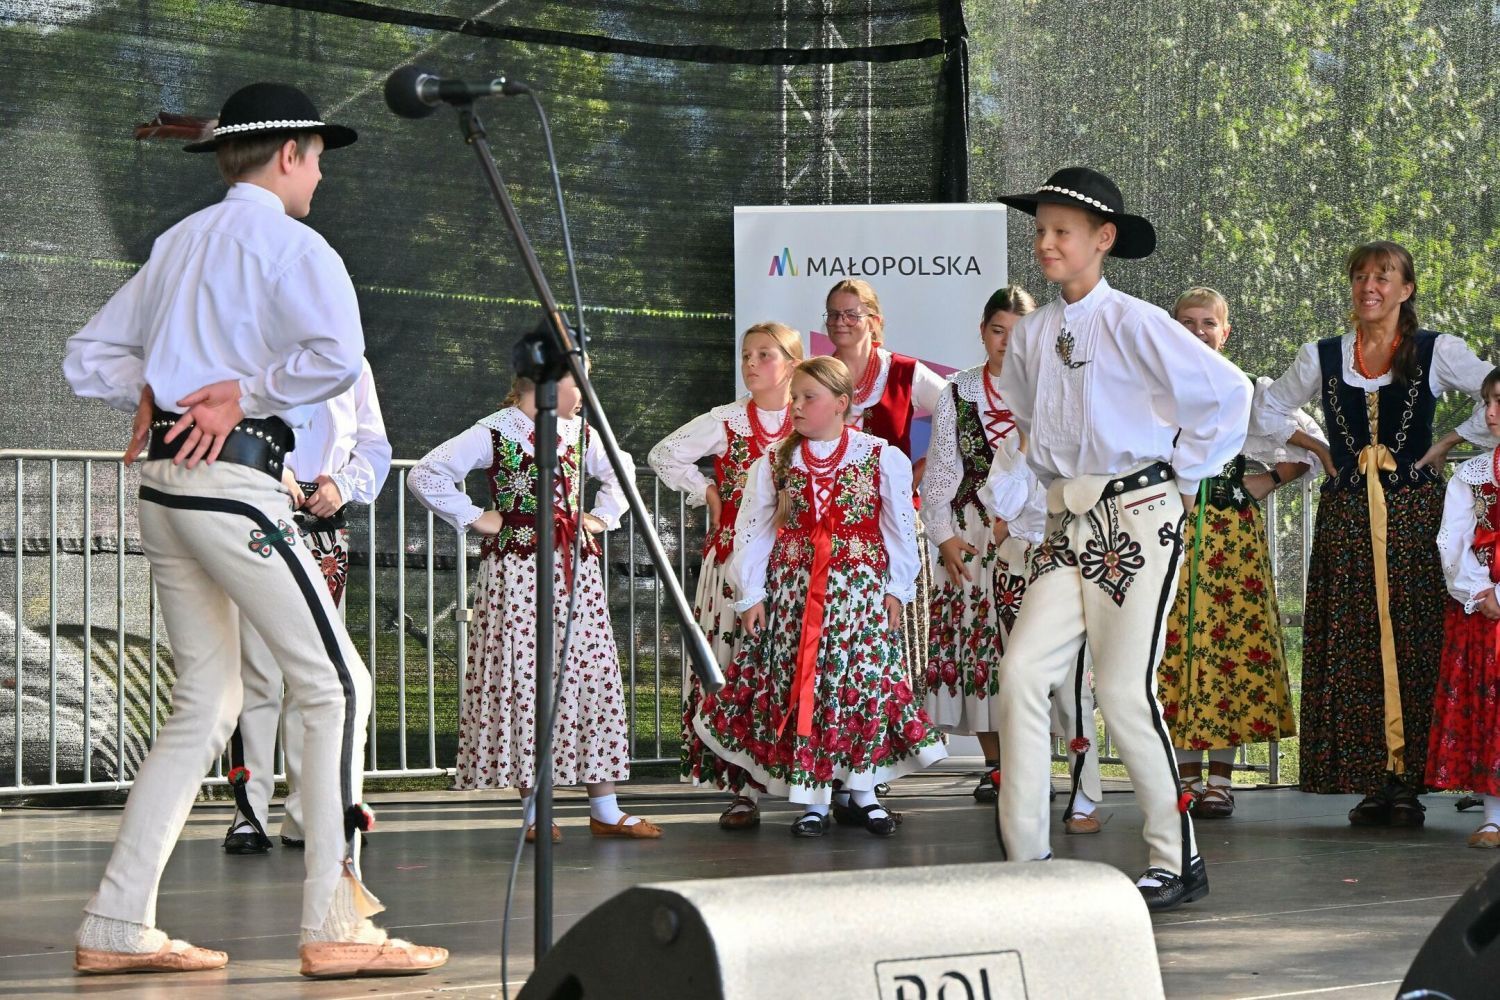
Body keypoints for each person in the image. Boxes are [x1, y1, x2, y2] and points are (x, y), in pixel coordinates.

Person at [62, 82, 446, 976]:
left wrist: (151, 392)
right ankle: (337, 925)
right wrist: (244, 394)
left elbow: (89, 355)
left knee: (208, 701)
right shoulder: (295, 245)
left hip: (167, 490)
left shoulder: (180, 241)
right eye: (318, 159)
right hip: (231, 486)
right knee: (338, 683)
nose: (321, 176)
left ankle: (116, 921)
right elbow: (336, 359)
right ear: (289, 154)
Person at [990, 166, 1251, 910]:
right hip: (1068, 520)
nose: (1045, 242)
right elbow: (1029, 420)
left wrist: (1184, 477)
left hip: (1135, 515)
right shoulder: (1033, 333)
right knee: (1021, 672)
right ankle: (1027, 857)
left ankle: (1177, 856)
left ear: (1103, 239)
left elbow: (1229, 392)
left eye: (1061, 231)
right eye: (1040, 229)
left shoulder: (1137, 321)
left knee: (1121, 688)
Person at [1254, 240, 1497, 825]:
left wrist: (1448, 441)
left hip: (1413, 514)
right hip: (1347, 518)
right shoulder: (1324, 355)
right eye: (1361, 276)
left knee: (1415, 636)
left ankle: (1408, 783)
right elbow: (1267, 410)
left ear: (1405, 290)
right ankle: (1370, 779)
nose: (1369, 286)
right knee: (1355, 637)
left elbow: (1494, 388)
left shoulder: (1436, 350)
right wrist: (1319, 449)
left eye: (1383, 277)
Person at [695, 357, 947, 837]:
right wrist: (751, 594)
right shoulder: (776, 460)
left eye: (808, 397)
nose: (796, 406)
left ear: (841, 403)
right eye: (794, 397)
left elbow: (898, 528)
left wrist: (897, 589)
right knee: (804, 687)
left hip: (859, 596)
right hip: (794, 596)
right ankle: (813, 799)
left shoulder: (879, 456)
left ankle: (864, 793)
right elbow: (753, 530)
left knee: (861, 689)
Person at [406, 367, 662, 842]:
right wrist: (474, 516)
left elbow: (621, 472)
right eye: (576, 381)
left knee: (588, 671)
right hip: (517, 571)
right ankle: (535, 811)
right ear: (545, 385)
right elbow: (426, 473)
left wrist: (601, 517)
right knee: (524, 675)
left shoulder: (581, 433)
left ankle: (605, 807)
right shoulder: (495, 431)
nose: (584, 392)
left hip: (574, 568)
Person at [922, 286, 1103, 831]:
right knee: (985, 653)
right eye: (997, 330)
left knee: (1053, 664)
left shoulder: (1061, 386)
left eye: (1018, 332)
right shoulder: (959, 392)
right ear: (982, 332)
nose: (1007, 342)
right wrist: (943, 535)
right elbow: (942, 472)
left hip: (1048, 536)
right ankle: (1002, 768)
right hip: (975, 537)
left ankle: (1064, 778)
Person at [1158, 288, 1322, 819]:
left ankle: (1220, 781)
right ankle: (1185, 775)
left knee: (1227, 649)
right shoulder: (1155, 388)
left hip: (1230, 537)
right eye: (1187, 322)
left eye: (1208, 323)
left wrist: (1266, 479)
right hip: (1167, 530)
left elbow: (1308, 444)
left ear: (1225, 332)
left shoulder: (1246, 389)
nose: (1197, 331)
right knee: (1174, 647)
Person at [223, 359, 391, 853]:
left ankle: (306, 814)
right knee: (257, 672)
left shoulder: (352, 362)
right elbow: (229, 425)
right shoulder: (254, 347)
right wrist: (273, 469)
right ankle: (249, 813)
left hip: (324, 528)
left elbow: (374, 444)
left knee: (316, 674)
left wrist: (343, 485)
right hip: (261, 514)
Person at [647, 322, 802, 831]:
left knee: (794, 668)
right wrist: (708, 492)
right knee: (732, 666)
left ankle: (817, 783)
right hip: (734, 563)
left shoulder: (810, 414)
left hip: (797, 566)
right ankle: (741, 791)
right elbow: (663, 454)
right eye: (746, 355)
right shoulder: (727, 420)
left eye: (765, 354)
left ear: (793, 363)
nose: (751, 363)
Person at [1427, 367, 1500, 848]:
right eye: (1487, 402)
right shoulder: (1470, 475)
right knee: (1489, 708)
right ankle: (1494, 816)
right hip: (1484, 608)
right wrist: (1482, 592)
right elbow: (1452, 541)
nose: (1490, 414)